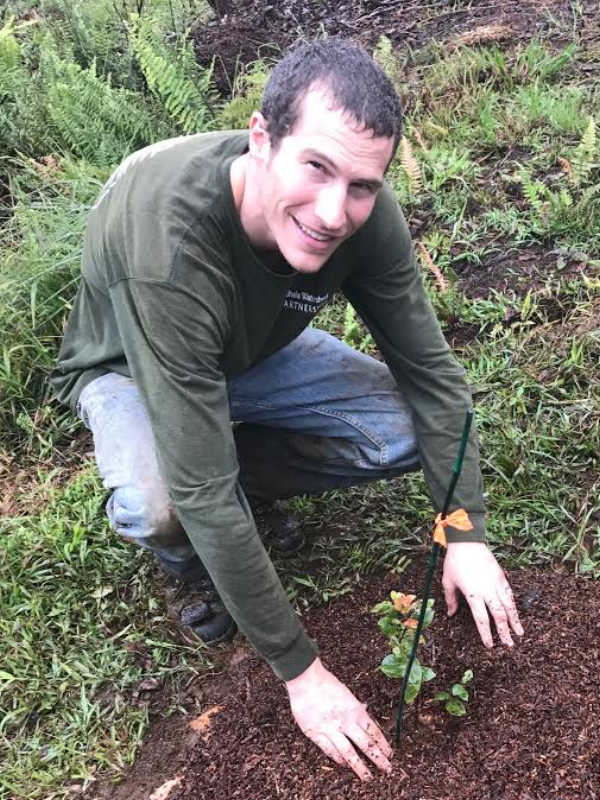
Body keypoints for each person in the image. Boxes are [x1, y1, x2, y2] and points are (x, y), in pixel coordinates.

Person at [50, 38, 523, 781]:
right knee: (167, 501)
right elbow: (201, 487)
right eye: (317, 168)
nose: (336, 212)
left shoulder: (364, 213)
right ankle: (191, 561)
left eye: (362, 185)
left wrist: (463, 528)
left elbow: (432, 376)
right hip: (133, 362)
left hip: (251, 351)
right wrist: (304, 675)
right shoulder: (172, 246)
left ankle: (244, 485)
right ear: (261, 137)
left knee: (401, 430)